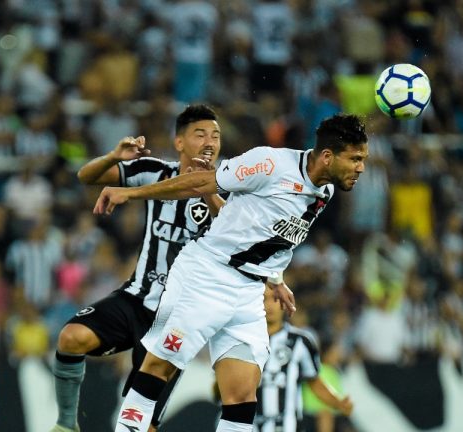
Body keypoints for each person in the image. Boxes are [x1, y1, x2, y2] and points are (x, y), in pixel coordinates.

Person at [94, 113, 368, 432]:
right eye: (355, 159)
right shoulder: (269, 164)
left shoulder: (324, 192)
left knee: (241, 394)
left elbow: (267, 235)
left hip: (249, 291)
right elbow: (201, 181)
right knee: (160, 366)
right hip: (207, 275)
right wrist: (131, 193)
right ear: (327, 156)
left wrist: (275, 279)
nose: (361, 167)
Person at [51, 104, 224, 432]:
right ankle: (65, 423)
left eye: (215, 136)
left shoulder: (227, 186)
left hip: (176, 321)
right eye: (200, 134)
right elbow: (86, 176)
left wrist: (209, 187)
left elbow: (233, 230)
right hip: (135, 299)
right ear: (179, 143)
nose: (209, 142)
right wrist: (114, 157)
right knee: (71, 338)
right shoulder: (155, 171)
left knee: (139, 423)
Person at [253, 285, 353, 431]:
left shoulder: (301, 342)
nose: (269, 305)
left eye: (275, 299)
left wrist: (337, 402)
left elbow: (314, 381)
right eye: (264, 299)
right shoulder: (246, 341)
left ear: (284, 301)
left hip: (288, 426)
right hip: (253, 426)